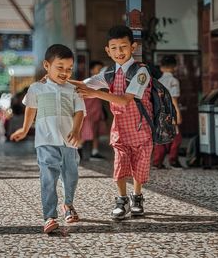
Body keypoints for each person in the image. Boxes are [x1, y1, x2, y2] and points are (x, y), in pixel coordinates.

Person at [69, 25, 153, 220]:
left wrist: (96, 93)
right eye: (113, 48)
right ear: (107, 50)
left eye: (123, 46)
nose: (119, 52)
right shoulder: (109, 73)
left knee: (139, 167)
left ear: (133, 47)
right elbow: (85, 83)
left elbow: (125, 99)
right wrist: (58, 80)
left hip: (142, 128)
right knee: (120, 164)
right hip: (120, 129)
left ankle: (137, 196)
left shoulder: (141, 72)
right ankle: (122, 199)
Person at [10, 44, 86, 234]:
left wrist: (76, 130)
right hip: (45, 141)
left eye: (69, 69)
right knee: (48, 178)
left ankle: (68, 205)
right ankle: (50, 216)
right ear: (47, 65)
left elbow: (79, 112)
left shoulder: (73, 89)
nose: (65, 72)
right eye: (59, 67)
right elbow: (30, 109)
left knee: (71, 176)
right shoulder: (36, 88)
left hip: (69, 142)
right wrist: (25, 129)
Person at [152, 55, 184, 169]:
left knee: (161, 137)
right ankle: (173, 160)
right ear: (174, 67)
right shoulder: (173, 81)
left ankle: (157, 162)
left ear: (161, 68)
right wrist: (178, 115)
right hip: (170, 113)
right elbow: (174, 99)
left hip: (159, 113)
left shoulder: (157, 81)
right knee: (177, 137)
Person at [79, 60, 108, 160]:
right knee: (88, 133)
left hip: (97, 112)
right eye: (98, 69)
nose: (101, 71)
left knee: (95, 132)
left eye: (101, 69)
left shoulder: (100, 82)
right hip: (89, 113)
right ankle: (77, 149)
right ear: (91, 70)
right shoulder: (89, 82)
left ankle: (94, 152)